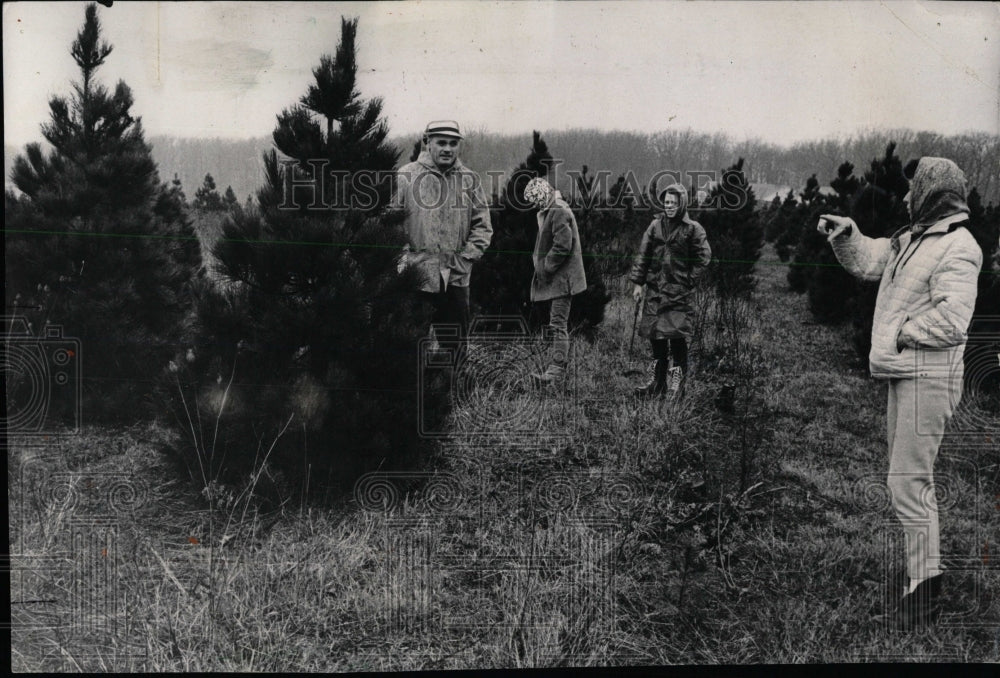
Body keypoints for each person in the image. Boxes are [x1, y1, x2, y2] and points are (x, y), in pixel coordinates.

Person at [818, 157, 982, 630]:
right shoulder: (912, 239)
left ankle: (925, 588)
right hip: (905, 373)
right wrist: (847, 233)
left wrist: (903, 332)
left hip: (929, 379)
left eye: (915, 189)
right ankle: (921, 575)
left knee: (908, 482)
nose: (907, 197)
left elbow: (953, 320)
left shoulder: (959, 247)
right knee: (905, 479)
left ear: (933, 193)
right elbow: (871, 261)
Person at [393, 120, 492, 351]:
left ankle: (454, 387)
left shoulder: (470, 179)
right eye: (441, 142)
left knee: (455, 346)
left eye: (453, 143)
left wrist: (466, 259)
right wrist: (403, 260)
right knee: (409, 343)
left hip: (456, 279)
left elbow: (483, 225)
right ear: (427, 143)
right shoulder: (405, 176)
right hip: (416, 277)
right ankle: (413, 387)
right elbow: (391, 221)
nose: (448, 149)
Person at [629, 183, 712, 398]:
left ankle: (677, 386)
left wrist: (687, 281)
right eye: (666, 202)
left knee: (676, 337)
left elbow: (704, 258)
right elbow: (643, 255)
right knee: (656, 336)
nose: (669, 206)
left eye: (674, 203)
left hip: (679, 293)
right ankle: (657, 383)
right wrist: (638, 283)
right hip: (655, 292)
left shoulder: (693, 228)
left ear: (682, 204)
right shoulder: (655, 226)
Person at [522, 177, 587, 386]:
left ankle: (555, 373)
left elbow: (562, 246)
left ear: (542, 195)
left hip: (563, 280)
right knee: (556, 323)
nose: (533, 205)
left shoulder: (558, 210)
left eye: (534, 199)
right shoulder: (553, 209)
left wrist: (546, 268)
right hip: (559, 279)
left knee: (558, 324)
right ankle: (554, 368)